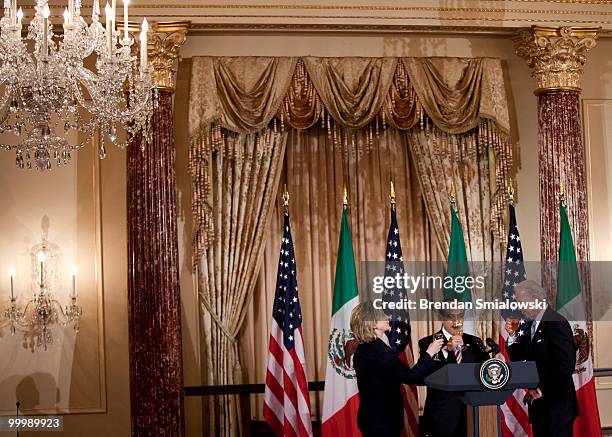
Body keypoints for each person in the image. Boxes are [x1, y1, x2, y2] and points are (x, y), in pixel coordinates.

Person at [351, 302, 444, 437]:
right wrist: (430, 352)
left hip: (370, 420)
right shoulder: (381, 351)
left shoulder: (362, 349)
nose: (386, 316)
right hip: (384, 423)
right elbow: (411, 377)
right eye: (381, 315)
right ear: (372, 323)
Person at [504, 280, 578, 437]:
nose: (519, 307)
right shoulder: (532, 325)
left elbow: (565, 366)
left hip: (557, 409)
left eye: (521, 302)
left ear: (535, 298)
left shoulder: (556, 322)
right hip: (540, 408)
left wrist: (540, 389)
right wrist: (512, 335)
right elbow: (518, 356)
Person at [418, 305, 489, 437]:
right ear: (441, 318)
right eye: (451, 317)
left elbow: (485, 371)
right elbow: (427, 374)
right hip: (442, 415)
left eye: (460, 316)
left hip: (472, 412)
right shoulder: (427, 342)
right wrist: (446, 351)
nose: (456, 321)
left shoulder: (474, 342)